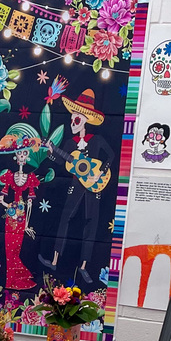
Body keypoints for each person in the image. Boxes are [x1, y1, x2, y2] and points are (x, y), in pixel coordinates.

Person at [39, 88, 114, 285]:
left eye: (77, 120)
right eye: (72, 119)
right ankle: (55, 260)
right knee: (65, 218)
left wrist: (100, 170)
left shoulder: (96, 140)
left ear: (86, 121)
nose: (73, 123)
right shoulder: (70, 144)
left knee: (91, 223)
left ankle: (84, 266)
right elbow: (60, 160)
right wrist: (49, 151)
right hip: (76, 185)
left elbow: (111, 156)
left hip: (95, 185)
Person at [0, 130, 41, 290]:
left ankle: (18, 280)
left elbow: (30, 204)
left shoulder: (30, 179)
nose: (22, 156)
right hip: (11, 217)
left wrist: (27, 223)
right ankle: (10, 282)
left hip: (21, 219)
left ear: (27, 156)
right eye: (20, 153)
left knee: (16, 249)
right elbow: (1, 199)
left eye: (24, 153)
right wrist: (10, 207)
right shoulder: (9, 176)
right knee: (9, 249)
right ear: (16, 155)